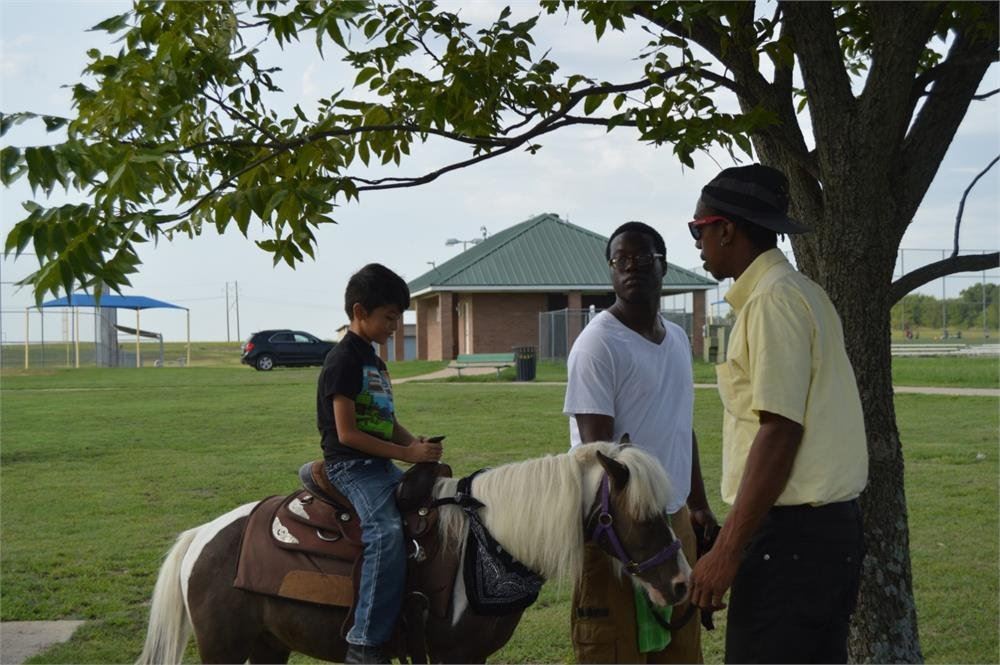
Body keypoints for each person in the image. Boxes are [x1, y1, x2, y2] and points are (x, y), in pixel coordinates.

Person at [686, 164, 868, 663]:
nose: (697, 244)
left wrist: (726, 551)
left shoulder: (774, 301)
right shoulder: (798, 293)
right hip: (811, 537)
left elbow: (780, 430)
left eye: (697, 229)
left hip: (793, 540)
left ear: (726, 228)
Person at [563, 221, 718, 664]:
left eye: (642, 258)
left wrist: (698, 503)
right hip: (619, 533)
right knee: (614, 649)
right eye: (620, 261)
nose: (630, 267)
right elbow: (600, 457)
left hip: (674, 521)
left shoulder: (676, 341)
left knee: (681, 650)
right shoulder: (597, 345)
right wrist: (640, 534)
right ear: (610, 272)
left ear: (662, 266)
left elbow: (679, 427)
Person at [316, 263, 443, 664]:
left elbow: (384, 421)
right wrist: (407, 456)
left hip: (380, 463)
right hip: (351, 468)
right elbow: (347, 434)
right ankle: (365, 643)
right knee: (386, 531)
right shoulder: (343, 362)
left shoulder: (375, 362)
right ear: (359, 312)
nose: (395, 326)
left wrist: (413, 441)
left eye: (398, 317)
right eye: (389, 317)